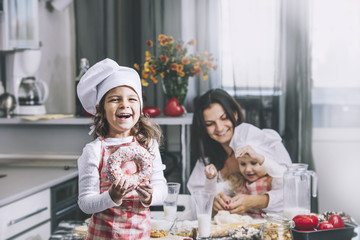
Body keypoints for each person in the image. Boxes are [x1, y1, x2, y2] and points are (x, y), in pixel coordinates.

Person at [77, 58, 167, 239]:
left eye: (132, 99)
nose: (124, 104)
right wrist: (112, 196)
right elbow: (85, 203)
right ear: (100, 109)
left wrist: (150, 196)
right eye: (115, 99)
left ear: (140, 108)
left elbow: (161, 189)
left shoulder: (148, 145)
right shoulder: (94, 150)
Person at [187, 88, 291, 217]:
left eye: (224, 118)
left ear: (235, 114)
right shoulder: (206, 161)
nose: (219, 128)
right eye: (210, 123)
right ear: (203, 127)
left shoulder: (266, 144)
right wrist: (212, 204)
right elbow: (194, 203)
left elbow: (292, 192)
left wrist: (254, 201)